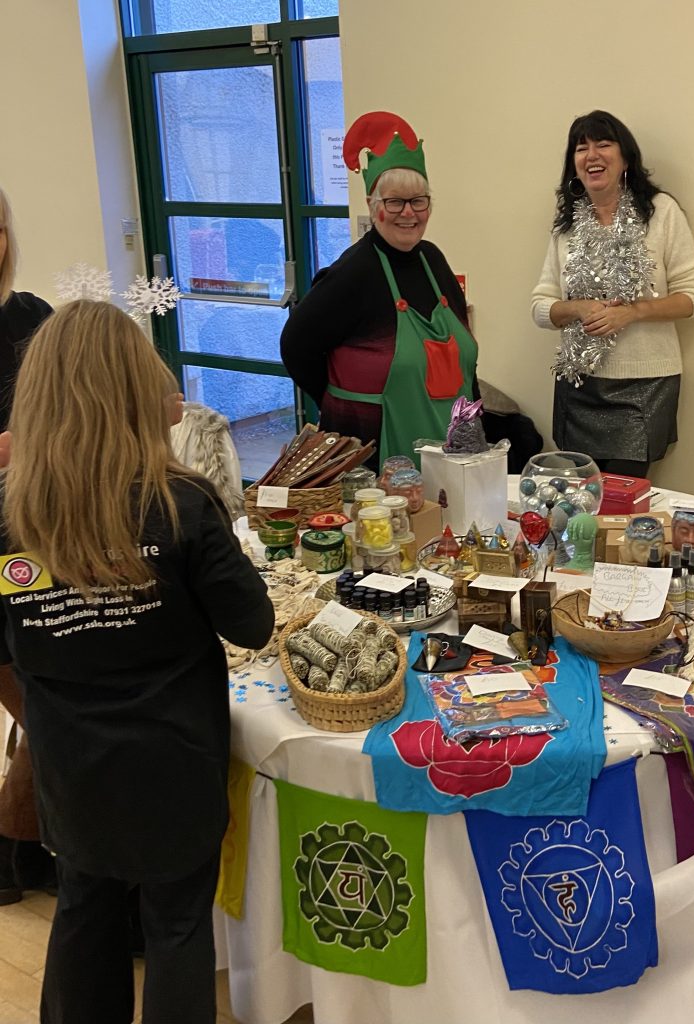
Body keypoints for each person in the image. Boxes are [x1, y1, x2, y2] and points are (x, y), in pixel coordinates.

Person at [0, 299, 274, 1024]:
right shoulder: (179, 502)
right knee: (177, 924)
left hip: (70, 759)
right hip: (174, 758)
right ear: (136, 389)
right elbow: (253, 624)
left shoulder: (11, 513)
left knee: (84, 907)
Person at [280, 111, 479, 471]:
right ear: (374, 207)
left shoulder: (433, 261)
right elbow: (296, 345)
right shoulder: (352, 273)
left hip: (453, 454)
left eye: (419, 200)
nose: (409, 213)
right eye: (394, 202)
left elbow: (466, 359)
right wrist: (344, 402)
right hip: (375, 460)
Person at [531, 110, 694, 477]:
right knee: (582, 506)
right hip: (578, 385)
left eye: (603, 144)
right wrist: (577, 308)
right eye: (581, 148)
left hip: (645, 385)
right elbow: (540, 306)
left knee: (622, 503)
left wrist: (631, 312)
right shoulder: (567, 226)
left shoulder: (660, 213)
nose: (591, 155)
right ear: (574, 165)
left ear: (626, 157)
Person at [0, 186, 54, 904]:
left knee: (49, 686)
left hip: (37, 537)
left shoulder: (31, 317)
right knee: (43, 701)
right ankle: (17, 848)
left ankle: (28, 847)